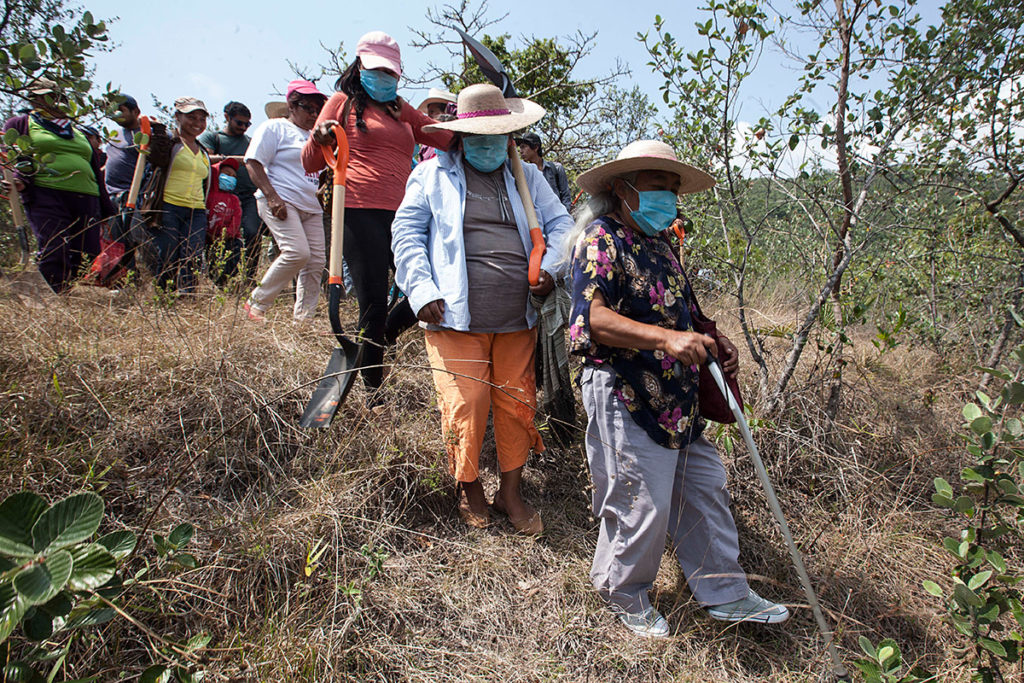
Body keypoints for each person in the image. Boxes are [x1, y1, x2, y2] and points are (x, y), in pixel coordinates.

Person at [568, 140, 790, 637]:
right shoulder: (601, 239)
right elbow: (592, 318)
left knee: (705, 487)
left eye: (673, 189)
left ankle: (726, 591)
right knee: (638, 498)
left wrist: (713, 339)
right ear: (621, 189)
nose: (668, 198)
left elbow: (681, 310)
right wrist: (667, 338)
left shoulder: (661, 245)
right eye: (657, 186)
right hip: (625, 389)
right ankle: (623, 592)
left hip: (678, 396)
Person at [392, 83, 574, 534]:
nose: (490, 145)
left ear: (510, 137)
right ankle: (468, 484)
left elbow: (562, 225)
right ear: (461, 138)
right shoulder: (431, 175)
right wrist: (421, 290)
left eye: (499, 136)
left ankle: (510, 491)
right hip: (452, 316)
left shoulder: (526, 177)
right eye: (480, 137)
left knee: (516, 404)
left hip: (518, 318)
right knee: (466, 402)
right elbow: (407, 234)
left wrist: (551, 268)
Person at [302, 30, 453, 399]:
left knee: (431, 285)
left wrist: (486, 131)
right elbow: (308, 161)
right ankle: (374, 394)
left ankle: (380, 337)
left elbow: (447, 140)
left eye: (391, 73)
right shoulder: (341, 103)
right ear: (360, 67)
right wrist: (320, 137)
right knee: (372, 301)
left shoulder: (401, 110)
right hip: (357, 209)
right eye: (377, 70)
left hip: (404, 216)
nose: (384, 78)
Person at [2, 78, 114, 293]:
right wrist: (19, 179)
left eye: (54, 96)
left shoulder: (78, 131)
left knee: (88, 252)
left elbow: (94, 168)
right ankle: (55, 295)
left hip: (86, 197)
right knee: (54, 247)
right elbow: (14, 156)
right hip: (46, 192)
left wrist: (106, 206)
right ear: (32, 99)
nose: (49, 101)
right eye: (41, 97)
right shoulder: (21, 124)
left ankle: (72, 291)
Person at [243, 80, 327, 321]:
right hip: (281, 200)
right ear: (291, 105)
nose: (313, 113)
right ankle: (256, 303)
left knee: (316, 262)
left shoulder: (317, 136)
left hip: (311, 205)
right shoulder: (274, 128)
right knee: (296, 252)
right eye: (307, 107)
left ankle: (304, 319)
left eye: (317, 109)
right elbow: (253, 162)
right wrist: (272, 197)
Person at [150, 96, 211, 294]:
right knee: (168, 251)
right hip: (169, 205)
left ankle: (187, 295)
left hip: (197, 210)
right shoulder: (171, 142)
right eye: (191, 117)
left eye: (202, 119)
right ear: (178, 117)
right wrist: (158, 132)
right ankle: (164, 294)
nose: (197, 123)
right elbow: (157, 158)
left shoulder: (203, 152)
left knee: (192, 253)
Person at [200, 102, 262, 284]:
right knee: (217, 236)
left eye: (247, 124)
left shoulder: (250, 142)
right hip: (220, 196)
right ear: (227, 117)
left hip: (248, 196)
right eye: (239, 123)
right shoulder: (213, 137)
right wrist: (235, 160)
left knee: (252, 232)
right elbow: (205, 158)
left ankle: (249, 277)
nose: (243, 127)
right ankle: (219, 278)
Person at [205, 159, 243, 286]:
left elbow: (236, 219)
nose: (230, 178)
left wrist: (227, 234)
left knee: (232, 257)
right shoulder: (207, 196)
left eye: (234, 177)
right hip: (208, 238)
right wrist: (208, 234)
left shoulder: (234, 200)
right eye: (226, 174)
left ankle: (224, 283)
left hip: (229, 239)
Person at [516, 132, 571, 212]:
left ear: (535, 147)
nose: (521, 151)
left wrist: (565, 216)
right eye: (520, 148)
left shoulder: (556, 168)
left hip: (556, 217)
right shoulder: (523, 174)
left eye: (524, 147)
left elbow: (566, 195)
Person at [415, 87, 456, 162]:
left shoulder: (458, 139)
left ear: (446, 112)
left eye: (432, 112)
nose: (429, 117)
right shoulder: (426, 145)